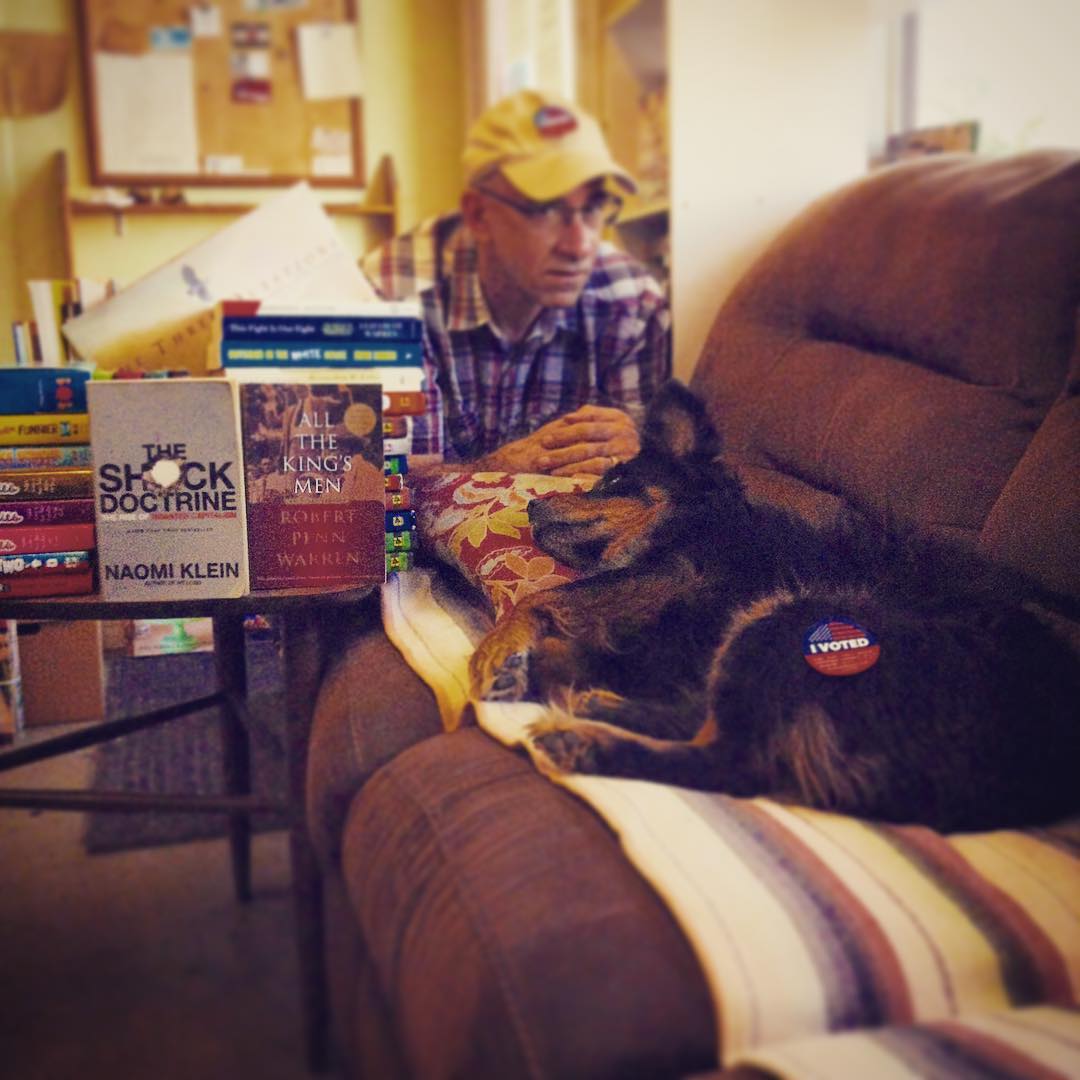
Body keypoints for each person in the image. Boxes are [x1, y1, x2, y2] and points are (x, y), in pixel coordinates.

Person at [362, 89, 671, 476]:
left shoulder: (632, 304)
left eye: (593, 208)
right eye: (546, 210)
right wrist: (500, 469)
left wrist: (635, 452)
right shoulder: (390, 296)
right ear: (478, 215)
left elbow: (645, 476)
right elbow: (391, 483)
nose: (580, 246)